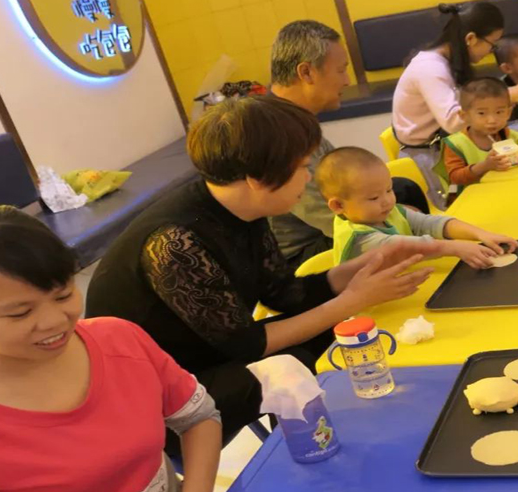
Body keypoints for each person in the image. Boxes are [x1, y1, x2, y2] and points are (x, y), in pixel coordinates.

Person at [86, 96, 434, 444]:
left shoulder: (243, 209)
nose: (309, 177)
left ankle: (381, 423)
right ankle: (322, 446)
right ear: (257, 178)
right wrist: (352, 300)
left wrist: (366, 264)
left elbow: (286, 295)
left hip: (213, 353)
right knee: (294, 361)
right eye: (302, 167)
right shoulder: (175, 242)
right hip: (156, 396)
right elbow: (248, 346)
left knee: (329, 335)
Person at [0, 206, 222, 492]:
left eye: (63, 295)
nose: (55, 321)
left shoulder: (119, 338)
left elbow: (198, 418)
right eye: (20, 313)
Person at [267, 20, 429, 271]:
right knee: (405, 214)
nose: (347, 81)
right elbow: (331, 220)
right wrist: (401, 219)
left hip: (329, 227)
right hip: (308, 252)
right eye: (341, 70)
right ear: (306, 73)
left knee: (402, 189)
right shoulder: (279, 134)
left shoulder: (295, 120)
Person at [391, 1, 518, 208]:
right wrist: (510, 95)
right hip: (428, 155)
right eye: (492, 44)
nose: (491, 51)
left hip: (449, 142)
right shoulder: (430, 69)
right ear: (471, 39)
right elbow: (453, 121)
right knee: (462, 207)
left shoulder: (445, 62)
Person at [315, 146, 518, 267]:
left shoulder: (387, 212)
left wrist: (481, 234)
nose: (387, 201)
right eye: (374, 198)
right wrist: (456, 247)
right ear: (338, 205)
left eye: (389, 190)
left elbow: (430, 224)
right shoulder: (358, 238)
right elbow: (406, 247)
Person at [443, 77, 518, 188]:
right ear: (464, 116)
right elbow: (455, 178)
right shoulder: (456, 144)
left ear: (508, 113)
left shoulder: (505, 134)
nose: (492, 120)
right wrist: (485, 166)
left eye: (499, 112)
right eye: (482, 113)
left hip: (507, 187)